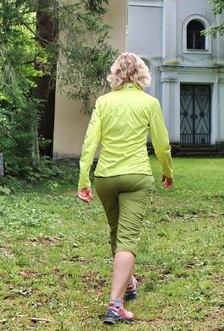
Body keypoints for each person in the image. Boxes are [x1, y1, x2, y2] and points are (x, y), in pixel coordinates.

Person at [76, 52, 173, 325]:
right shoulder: (149, 103)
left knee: (117, 234)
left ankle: (129, 282)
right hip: (137, 177)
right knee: (126, 240)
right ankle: (116, 305)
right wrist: (168, 171)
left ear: (115, 74)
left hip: (106, 177)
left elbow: (89, 142)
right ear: (141, 74)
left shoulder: (103, 102)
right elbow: (162, 143)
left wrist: (84, 178)